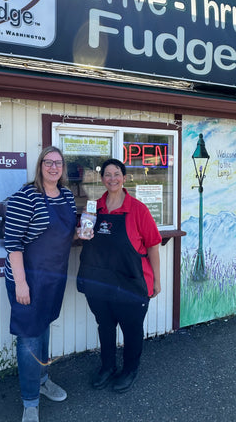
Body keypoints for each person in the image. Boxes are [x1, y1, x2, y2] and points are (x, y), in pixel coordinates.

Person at [4, 146, 77, 422]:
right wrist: (21, 284)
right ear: (40, 166)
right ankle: (30, 401)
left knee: (43, 328)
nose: (53, 167)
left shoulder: (68, 196)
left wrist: (85, 232)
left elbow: (69, 232)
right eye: (48, 162)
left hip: (53, 278)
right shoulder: (27, 196)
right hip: (28, 279)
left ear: (63, 168)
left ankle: (43, 380)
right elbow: (12, 243)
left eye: (58, 163)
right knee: (29, 337)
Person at [77, 158, 161, 393]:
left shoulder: (138, 209)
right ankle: (107, 366)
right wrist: (82, 233)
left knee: (131, 329)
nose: (112, 178)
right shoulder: (94, 208)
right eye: (107, 174)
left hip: (131, 282)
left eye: (117, 174)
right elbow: (83, 235)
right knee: (104, 326)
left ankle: (130, 369)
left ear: (124, 178)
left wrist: (157, 280)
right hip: (100, 282)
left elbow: (153, 245)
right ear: (102, 179)